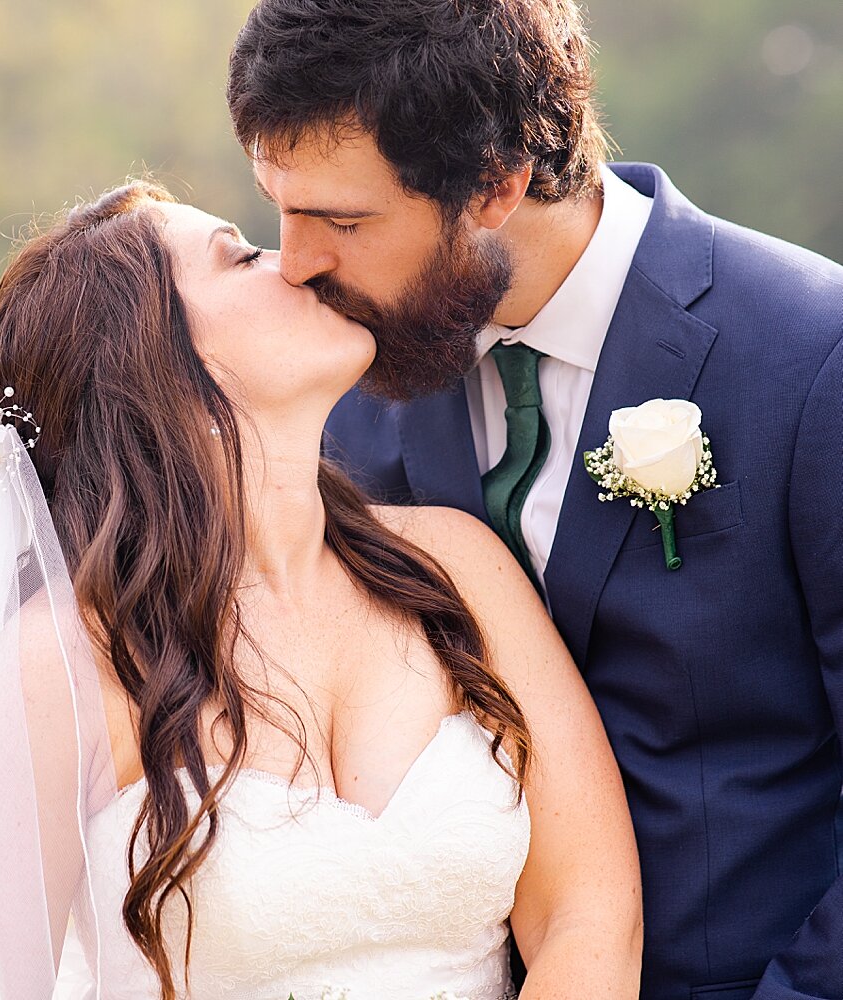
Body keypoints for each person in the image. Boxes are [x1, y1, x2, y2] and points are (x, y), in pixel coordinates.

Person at [0, 180, 640, 999]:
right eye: (240, 257)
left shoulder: (457, 569)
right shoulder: (59, 668)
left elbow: (590, 914)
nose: (297, 263)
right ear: (158, 367)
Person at [225, 2, 843, 998]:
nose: (296, 262)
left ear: (498, 184)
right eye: (280, 208)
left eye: (342, 220)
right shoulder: (346, 394)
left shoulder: (813, 356)